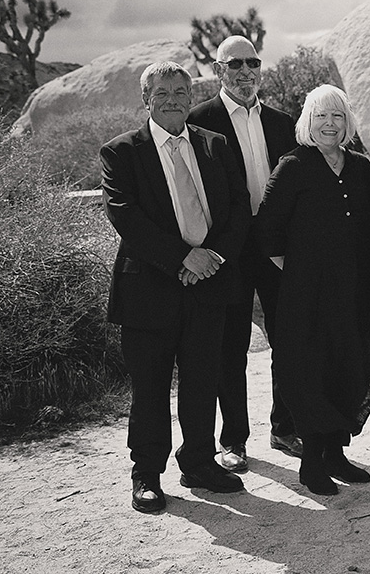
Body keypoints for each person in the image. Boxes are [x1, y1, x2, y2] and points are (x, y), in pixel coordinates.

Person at [101, 61, 251, 513]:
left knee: (203, 380)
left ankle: (199, 461)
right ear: (145, 99)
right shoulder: (121, 152)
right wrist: (183, 257)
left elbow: (238, 208)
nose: (172, 99)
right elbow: (124, 215)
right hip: (148, 289)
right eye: (161, 92)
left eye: (180, 91)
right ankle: (147, 474)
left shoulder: (215, 145)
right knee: (149, 387)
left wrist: (213, 258)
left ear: (191, 96)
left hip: (208, 284)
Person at [255, 84, 370, 496]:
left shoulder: (360, 167)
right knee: (310, 374)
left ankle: (336, 454)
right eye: (321, 116)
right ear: (307, 122)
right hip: (308, 297)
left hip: (356, 292)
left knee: (348, 368)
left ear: (347, 122)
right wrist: (299, 271)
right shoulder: (293, 166)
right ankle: (312, 463)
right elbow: (266, 232)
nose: (329, 124)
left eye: (336, 116)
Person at [187, 35, 301, 472]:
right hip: (228, 253)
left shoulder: (282, 121)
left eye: (253, 62)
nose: (246, 71)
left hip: (276, 251)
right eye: (235, 64)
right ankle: (233, 439)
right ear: (219, 70)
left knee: (286, 340)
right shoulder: (199, 122)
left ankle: (285, 427)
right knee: (229, 348)